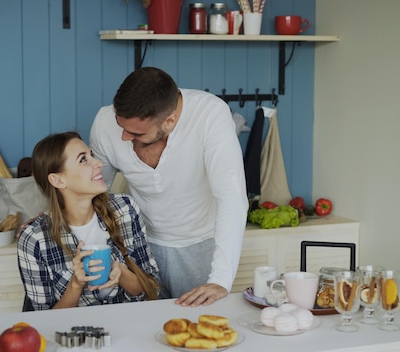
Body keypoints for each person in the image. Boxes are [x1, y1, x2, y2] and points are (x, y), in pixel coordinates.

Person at [90, 67, 248, 307]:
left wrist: (221, 279)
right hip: (139, 247)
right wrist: (52, 218)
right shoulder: (103, 123)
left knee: (199, 330)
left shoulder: (210, 114)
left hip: (201, 245)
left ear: (170, 120)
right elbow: (93, 190)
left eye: (135, 132)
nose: (122, 137)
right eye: (120, 126)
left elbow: (232, 196)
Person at [17, 132, 159, 310]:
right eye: (83, 160)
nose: (99, 164)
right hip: (72, 335)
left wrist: (120, 271)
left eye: (92, 155)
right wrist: (76, 283)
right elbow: (43, 320)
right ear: (57, 180)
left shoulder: (125, 209)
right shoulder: (34, 238)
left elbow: (151, 290)